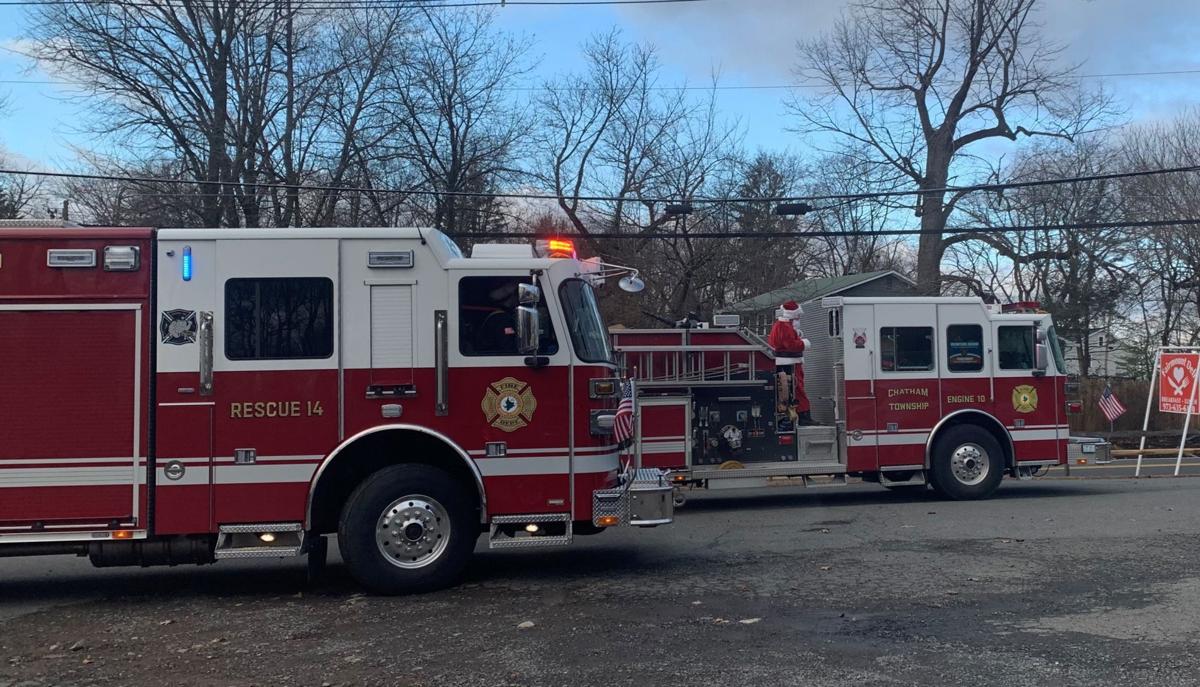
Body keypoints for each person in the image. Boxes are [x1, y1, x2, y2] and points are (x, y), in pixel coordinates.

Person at [767, 300, 813, 428]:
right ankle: (804, 416)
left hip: (787, 363)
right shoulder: (785, 327)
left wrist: (796, 335)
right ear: (793, 314)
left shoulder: (780, 326)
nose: (799, 318)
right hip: (791, 363)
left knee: (793, 389)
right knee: (797, 389)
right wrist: (804, 343)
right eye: (798, 315)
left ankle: (799, 414)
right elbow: (791, 345)